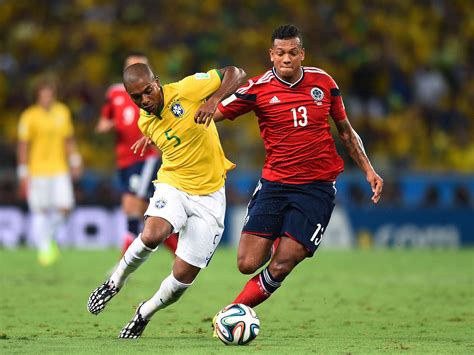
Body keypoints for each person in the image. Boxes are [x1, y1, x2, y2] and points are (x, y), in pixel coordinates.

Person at [196, 24, 384, 313]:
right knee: (247, 263)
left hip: (317, 187)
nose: (287, 58)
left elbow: (345, 131)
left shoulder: (324, 82)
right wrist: (165, 125)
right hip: (275, 184)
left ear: (302, 54)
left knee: (283, 263)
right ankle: (283, 236)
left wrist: (369, 170)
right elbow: (207, 117)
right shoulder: (256, 88)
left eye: (293, 53)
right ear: (271, 55)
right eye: (281, 53)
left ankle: (231, 313)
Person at [87, 62, 246, 339]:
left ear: (157, 81)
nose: (145, 100)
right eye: (136, 97)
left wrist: (213, 100)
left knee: (183, 277)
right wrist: (150, 138)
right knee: (152, 234)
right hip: (173, 185)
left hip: (210, 195)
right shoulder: (143, 120)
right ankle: (114, 282)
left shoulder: (187, 88)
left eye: (148, 91)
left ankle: (144, 313)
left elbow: (237, 73)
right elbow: (170, 130)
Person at [96, 52, 178, 257]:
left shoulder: (155, 94)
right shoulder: (114, 93)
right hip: (124, 159)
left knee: (132, 206)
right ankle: (179, 252)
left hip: (145, 157)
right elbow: (103, 122)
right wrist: (110, 125)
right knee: (141, 212)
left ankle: (125, 261)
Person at [17, 78, 82, 266]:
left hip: (59, 168)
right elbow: (23, 145)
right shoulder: (29, 116)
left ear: (53, 95)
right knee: (40, 210)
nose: (46, 98)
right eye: (43, 95)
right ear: (37, 96)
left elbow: (68, 140)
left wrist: (75, 160)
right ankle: (44, 249)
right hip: (36, 170)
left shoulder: (62, 112)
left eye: (49, 95)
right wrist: (23, 171)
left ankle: (47, 239)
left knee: (66, 207)